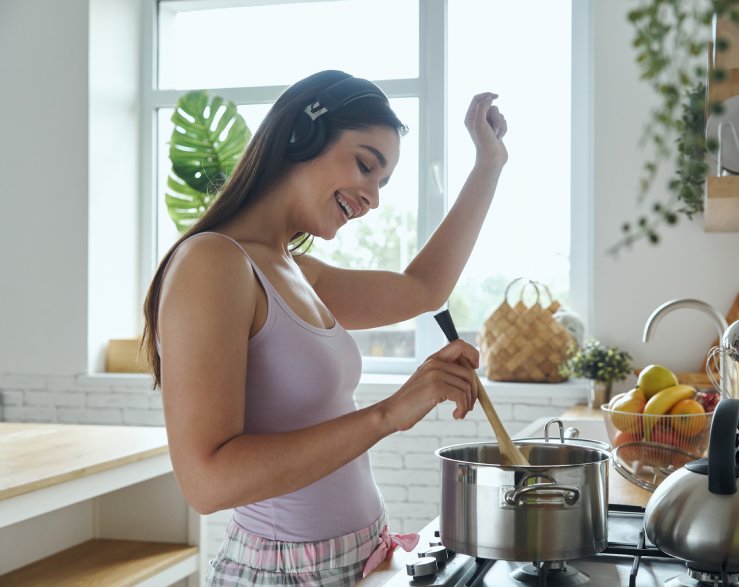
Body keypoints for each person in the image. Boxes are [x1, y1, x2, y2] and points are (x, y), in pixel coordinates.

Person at [142, 70, 507, 586]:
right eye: (365, 165)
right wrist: (388, 415)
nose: (372, 198)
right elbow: (207, 482)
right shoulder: (213, 262)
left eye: (381, 183)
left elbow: (424, 288)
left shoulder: (292, 268)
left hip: (360, 555)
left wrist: (489, 164)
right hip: (283, 574)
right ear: (301, 136)